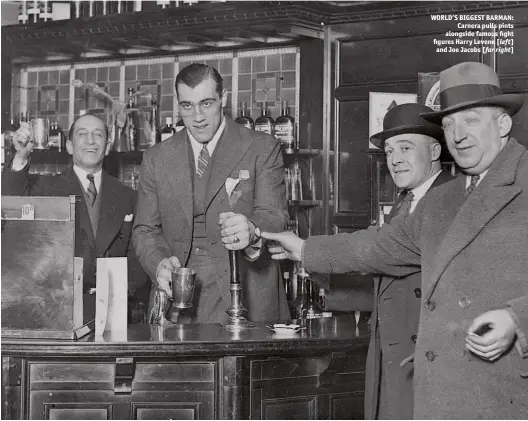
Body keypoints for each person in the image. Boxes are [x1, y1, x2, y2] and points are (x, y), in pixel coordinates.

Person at [262, 62, 528, 419]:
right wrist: (304, 248)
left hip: (504, 393)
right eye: (448, 124)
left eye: (471, 120)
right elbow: (380, 247)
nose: (458, 135)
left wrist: (517, 319)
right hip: (440, 393)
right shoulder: (443, 200)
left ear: (503, 124)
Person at [132, 63, 289, 324]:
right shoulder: (156, 158)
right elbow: (145, 230)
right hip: (178, 304)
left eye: (206, 103)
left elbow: (275, 215)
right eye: (187, 106)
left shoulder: (261, 147)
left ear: (223, 99)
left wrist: (251, 227)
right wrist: (159, 265)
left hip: (247, 294)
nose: (197, 117)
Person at [2, 113, 150, 324]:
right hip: (56, 314)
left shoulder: (127, 196)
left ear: (107, 147)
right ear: (70, 146)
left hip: (112, 314)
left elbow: (137, 254)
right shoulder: (47, 188)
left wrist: (118, 290)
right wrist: (21, 156)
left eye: (98, 134)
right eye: (83, 134)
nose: (90, 140)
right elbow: (10, 203)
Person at [365, 103, 454, 420]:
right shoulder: (403, 204)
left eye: (405, 147)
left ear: (433, 151)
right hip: (392, 358)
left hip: (423, 363)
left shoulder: (452, 200)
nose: (395, 159)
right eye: (389, 151)